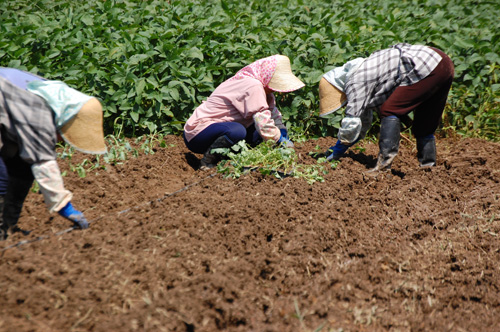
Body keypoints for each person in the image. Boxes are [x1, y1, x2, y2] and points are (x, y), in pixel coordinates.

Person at [0, 67, 107, 240]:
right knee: (2, 177)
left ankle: (8, 228)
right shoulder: (39, 113)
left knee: (22, 166)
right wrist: (65, 208)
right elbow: (44, 165)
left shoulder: (52, 95)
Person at [318, 43, 454, 172]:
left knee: (389, 110)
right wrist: (341, 146)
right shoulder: (364, 71)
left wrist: (337, 150)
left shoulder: (355, 81)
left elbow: (352, 122)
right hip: (442, 63)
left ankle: (384, 167)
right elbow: (363, 123)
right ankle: (428, 167)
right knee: (425, 119)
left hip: (426, 64)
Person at [183, 54, 305, 169]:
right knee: (237, 131)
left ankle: (232, 160)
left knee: (257, 135)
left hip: (218, 130)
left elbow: (272, 115)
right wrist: (279, 140)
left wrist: (283, 133)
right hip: (198, 134)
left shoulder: (264, 91)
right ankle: (208, 162)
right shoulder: (252, 85)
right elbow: (262, 121)